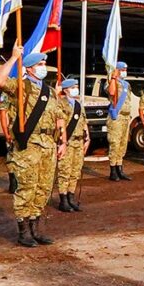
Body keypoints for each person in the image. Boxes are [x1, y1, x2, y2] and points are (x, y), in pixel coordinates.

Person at [0, 48, 66, 248]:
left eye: (44, 64)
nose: (44, 67)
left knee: (43, 188)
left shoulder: (50, 92)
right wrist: (14, 58)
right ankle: (23, 231)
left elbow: (59, 118)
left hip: (49, 144)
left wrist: (63, 142)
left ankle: (35, 228)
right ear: (30, 68)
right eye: (40, 64)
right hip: (29, 144)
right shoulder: (21, 86)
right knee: (27, 186)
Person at [56, 78, 89, 212]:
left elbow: (84, 122)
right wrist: (61, 142)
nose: (76, 89)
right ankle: (63, 199)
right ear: (65, 90)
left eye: (76, 86)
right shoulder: (61, 104)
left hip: (79, 141)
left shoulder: (78, 105)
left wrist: (87, 138)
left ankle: (71, 197)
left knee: (75, 171)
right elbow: (60, 124)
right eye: (73, 87)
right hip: (67, 142)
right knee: (65, 171)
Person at [106, 61, 132, 181]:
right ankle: (113, 170)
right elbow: (111, 92)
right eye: (122, 70)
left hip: (125, 117)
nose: (124, 72)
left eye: (125, 70)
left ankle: (120, 168)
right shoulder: (112, 82)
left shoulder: (126, 84)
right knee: (115, 143)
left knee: (123, 143)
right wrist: (113, 78)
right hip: (116, 117)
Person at [0, 91, 18, 194]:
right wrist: (6, 133)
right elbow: (3, 114)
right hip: (14, 129)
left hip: (26, 128)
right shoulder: (7, 94)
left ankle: (18, 183)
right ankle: (13, 183)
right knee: (12, 155)